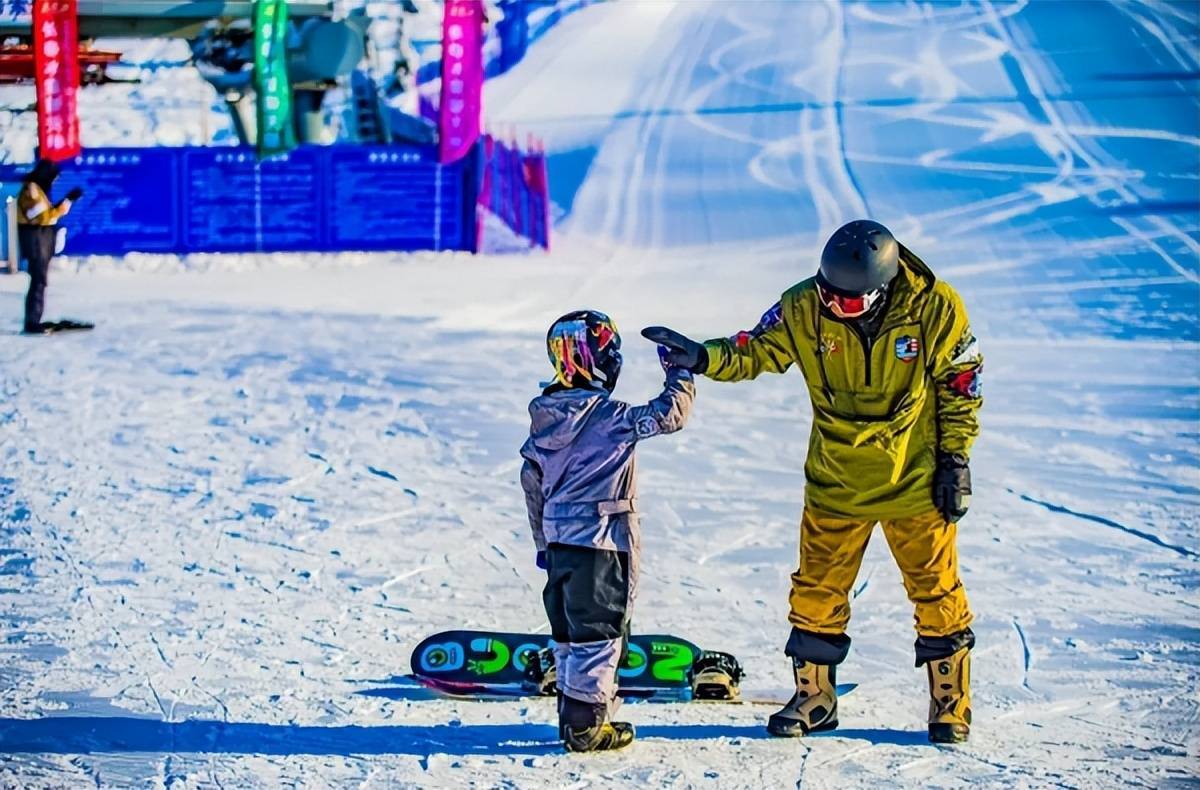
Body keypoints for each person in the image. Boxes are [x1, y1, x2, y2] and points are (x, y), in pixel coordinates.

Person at [643, 219, 982, 744]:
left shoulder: (934, 307)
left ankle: (949, 703)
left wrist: (955, 460)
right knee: (816, 593)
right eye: (829, 295)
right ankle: (815, 697)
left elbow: (961, 383)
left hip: (913, 477)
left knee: (936, 591)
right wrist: (704, 356)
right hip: (836, 480)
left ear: (882, 288)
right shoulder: (803, 306)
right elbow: (757, 348)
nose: (833, 307)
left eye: (847, 302)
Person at [520, 310, 695, 752]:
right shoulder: (611, 418)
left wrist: (544, 543)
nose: (616, 361)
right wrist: (680, 373)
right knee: (600, 635)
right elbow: (670, 415)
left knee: (570, 633)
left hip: (561, 545)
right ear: (589, 359)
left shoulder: (545, 420)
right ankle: (587, 727)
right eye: (610, 352)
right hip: (603, 544)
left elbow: (532, 484)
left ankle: (571, 716)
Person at [17, 158, 83, 335]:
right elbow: (41, 216)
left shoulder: (38, 190)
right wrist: (65, 205)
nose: (53, 182)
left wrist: (65, 202)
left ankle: (34, 318)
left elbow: (46, 213)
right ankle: (32, 321)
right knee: (38, 281)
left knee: (40, 281)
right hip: (36, 240)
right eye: (53, 178)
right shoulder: (32, 190)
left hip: (41, 240)